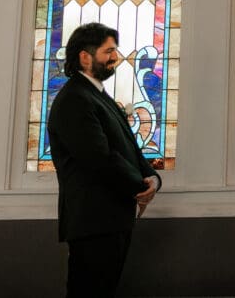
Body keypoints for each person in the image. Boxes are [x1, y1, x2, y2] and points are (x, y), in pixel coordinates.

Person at [48, 22, 161, 297]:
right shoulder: (75, 99)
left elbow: (129, 148)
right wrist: (139, 187)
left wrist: (152, 179)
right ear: (85, 57)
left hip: (111, 217)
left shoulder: (98, 95)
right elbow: (99, 157)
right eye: (108, 51)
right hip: (93, 220)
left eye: (115, 51)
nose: (115, 57)